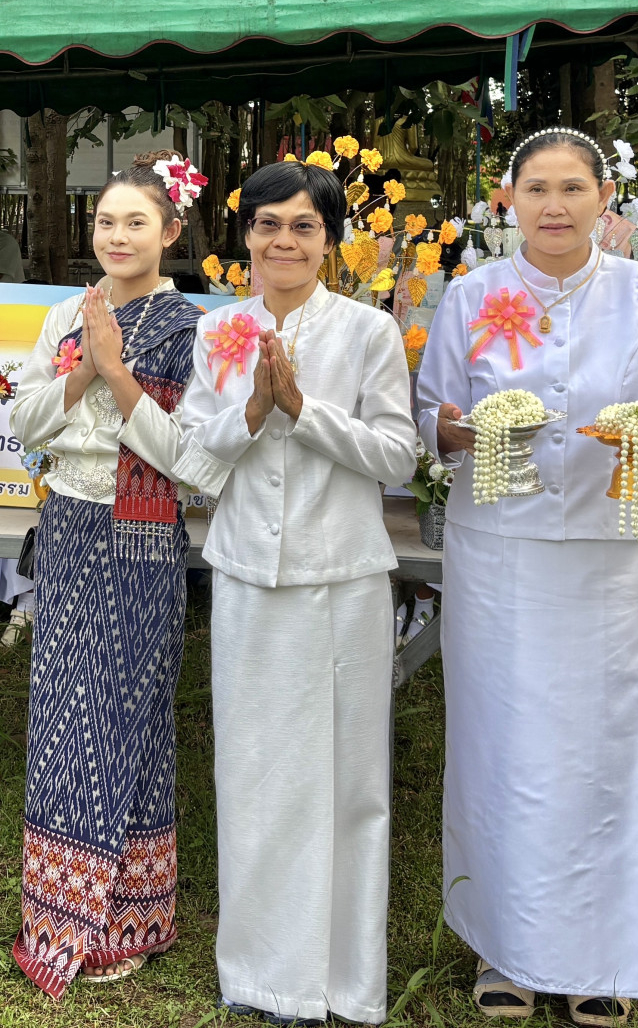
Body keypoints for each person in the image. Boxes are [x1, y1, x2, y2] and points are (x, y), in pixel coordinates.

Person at [418, 128, 638, 1025]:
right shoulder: (471, 294)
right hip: (497, 552)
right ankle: (500, 949)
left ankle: (595, 958)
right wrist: (461, 431)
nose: (554, 206)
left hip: (604, 549)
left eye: (572, 188)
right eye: (536, 189)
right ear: (507, 201)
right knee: (497, 745)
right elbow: (429, 416)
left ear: (603, 200)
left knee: (597, 750)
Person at [178, 158, 419, 1025]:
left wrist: (302, 410)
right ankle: (260, 975)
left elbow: (397, 455)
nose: (284, 240)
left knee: (349, 782)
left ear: (330, 241)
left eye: (303, 226)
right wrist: (249, 413)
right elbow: (190, 458)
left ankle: (343, 981)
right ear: (244, 235)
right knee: (253, 773)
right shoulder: (217, 331)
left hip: (343, 579)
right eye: (267, 224)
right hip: (248, 575)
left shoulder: (367, 332)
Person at [6, 153, 218, 997]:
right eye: (105, 222)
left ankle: (131, 915)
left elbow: (190, 459)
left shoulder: (194, 329)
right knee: (65, 710)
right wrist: (87, 365)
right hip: (67, 519)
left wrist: (119, 373)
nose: (118, 236)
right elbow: (25, 423)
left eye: (136, 222)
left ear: (171, 232)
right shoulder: (67, 315)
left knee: (129, 709)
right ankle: (61, 910)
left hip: (142, 527)